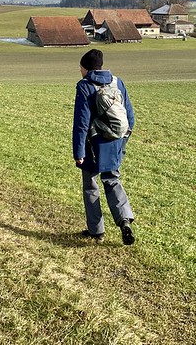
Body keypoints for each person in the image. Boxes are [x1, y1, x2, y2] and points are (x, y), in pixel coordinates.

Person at [73, 48, 136, 245]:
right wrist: (122, 141)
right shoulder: (117, 82)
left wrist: (79, 152)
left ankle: (96, 231)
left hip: (93, 144)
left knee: (91, 186)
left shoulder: (84, 86)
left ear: (85, 68)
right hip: (115, 141)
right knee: (112, 180)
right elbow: (130, 117)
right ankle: (124, 220)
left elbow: (81, 123)